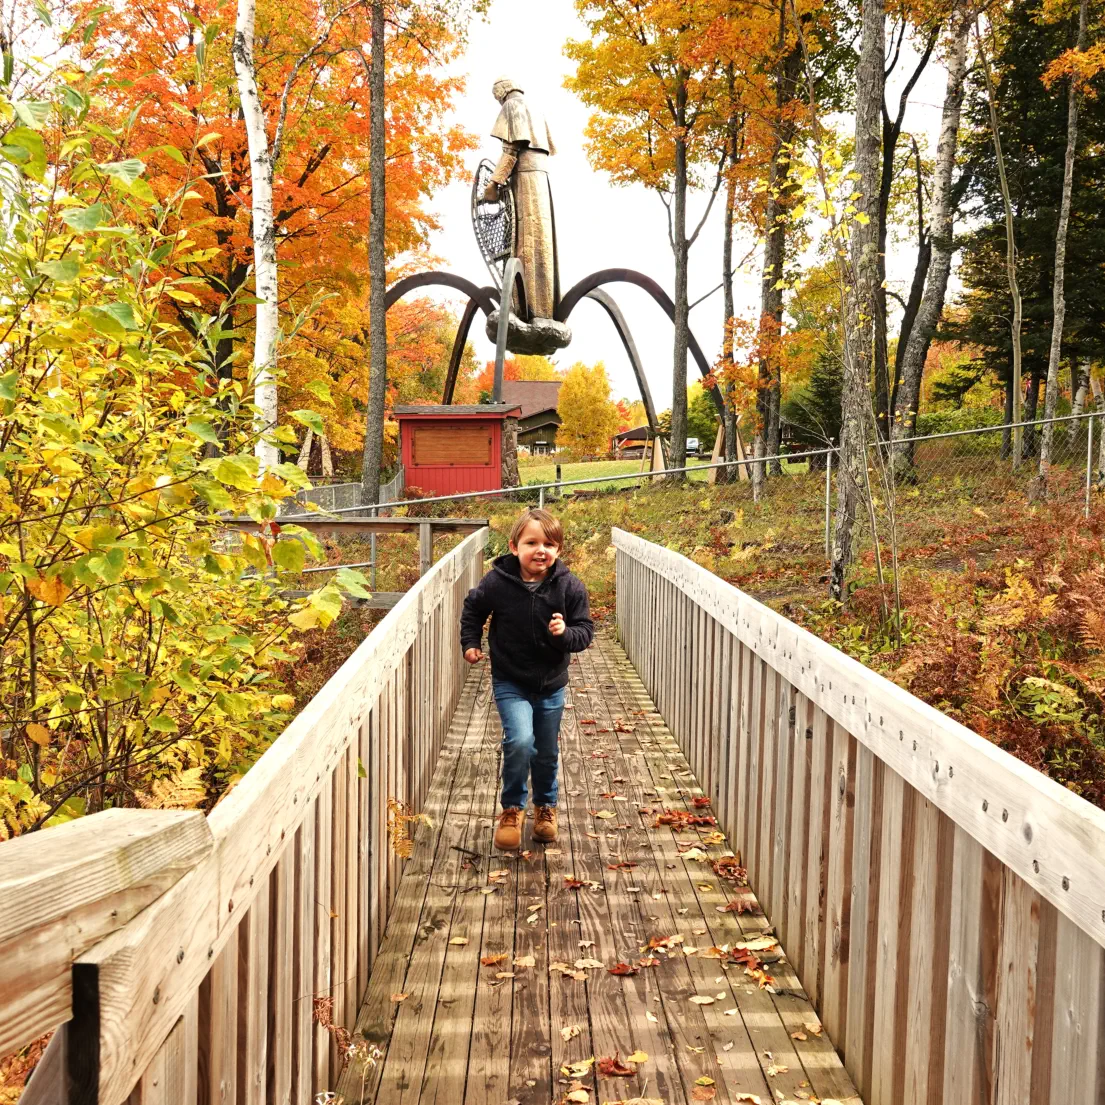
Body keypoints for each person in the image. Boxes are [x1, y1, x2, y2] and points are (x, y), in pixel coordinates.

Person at [459, 508, 593, 850]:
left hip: (551, 682)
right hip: (510, 679)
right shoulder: (497, 583)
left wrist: (564, 635)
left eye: (549, 543)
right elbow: (473, 609)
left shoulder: (569, 586)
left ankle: (545, 807)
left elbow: (585, 632)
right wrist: (470, 643)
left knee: (545, 750)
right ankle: (512, 809)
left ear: (558, 549)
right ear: (514, 546)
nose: (541, 550)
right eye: (531, 542)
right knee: (519, 741)